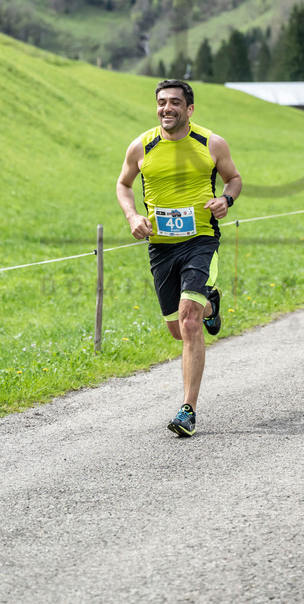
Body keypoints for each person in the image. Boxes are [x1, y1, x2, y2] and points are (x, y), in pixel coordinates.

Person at [116, 79, 242, 438]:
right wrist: (132, 216)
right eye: (161, 102)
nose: (166, 108)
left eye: (174, 102)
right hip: (161, 246)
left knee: (189, 324)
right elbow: (123, 184)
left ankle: (188, 410)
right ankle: (212, 306)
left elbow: (234, 179)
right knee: (177, 329)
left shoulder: (210, 143)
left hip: (200, 240)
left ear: (189, 109)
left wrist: (226, 200)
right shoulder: (141, 145)